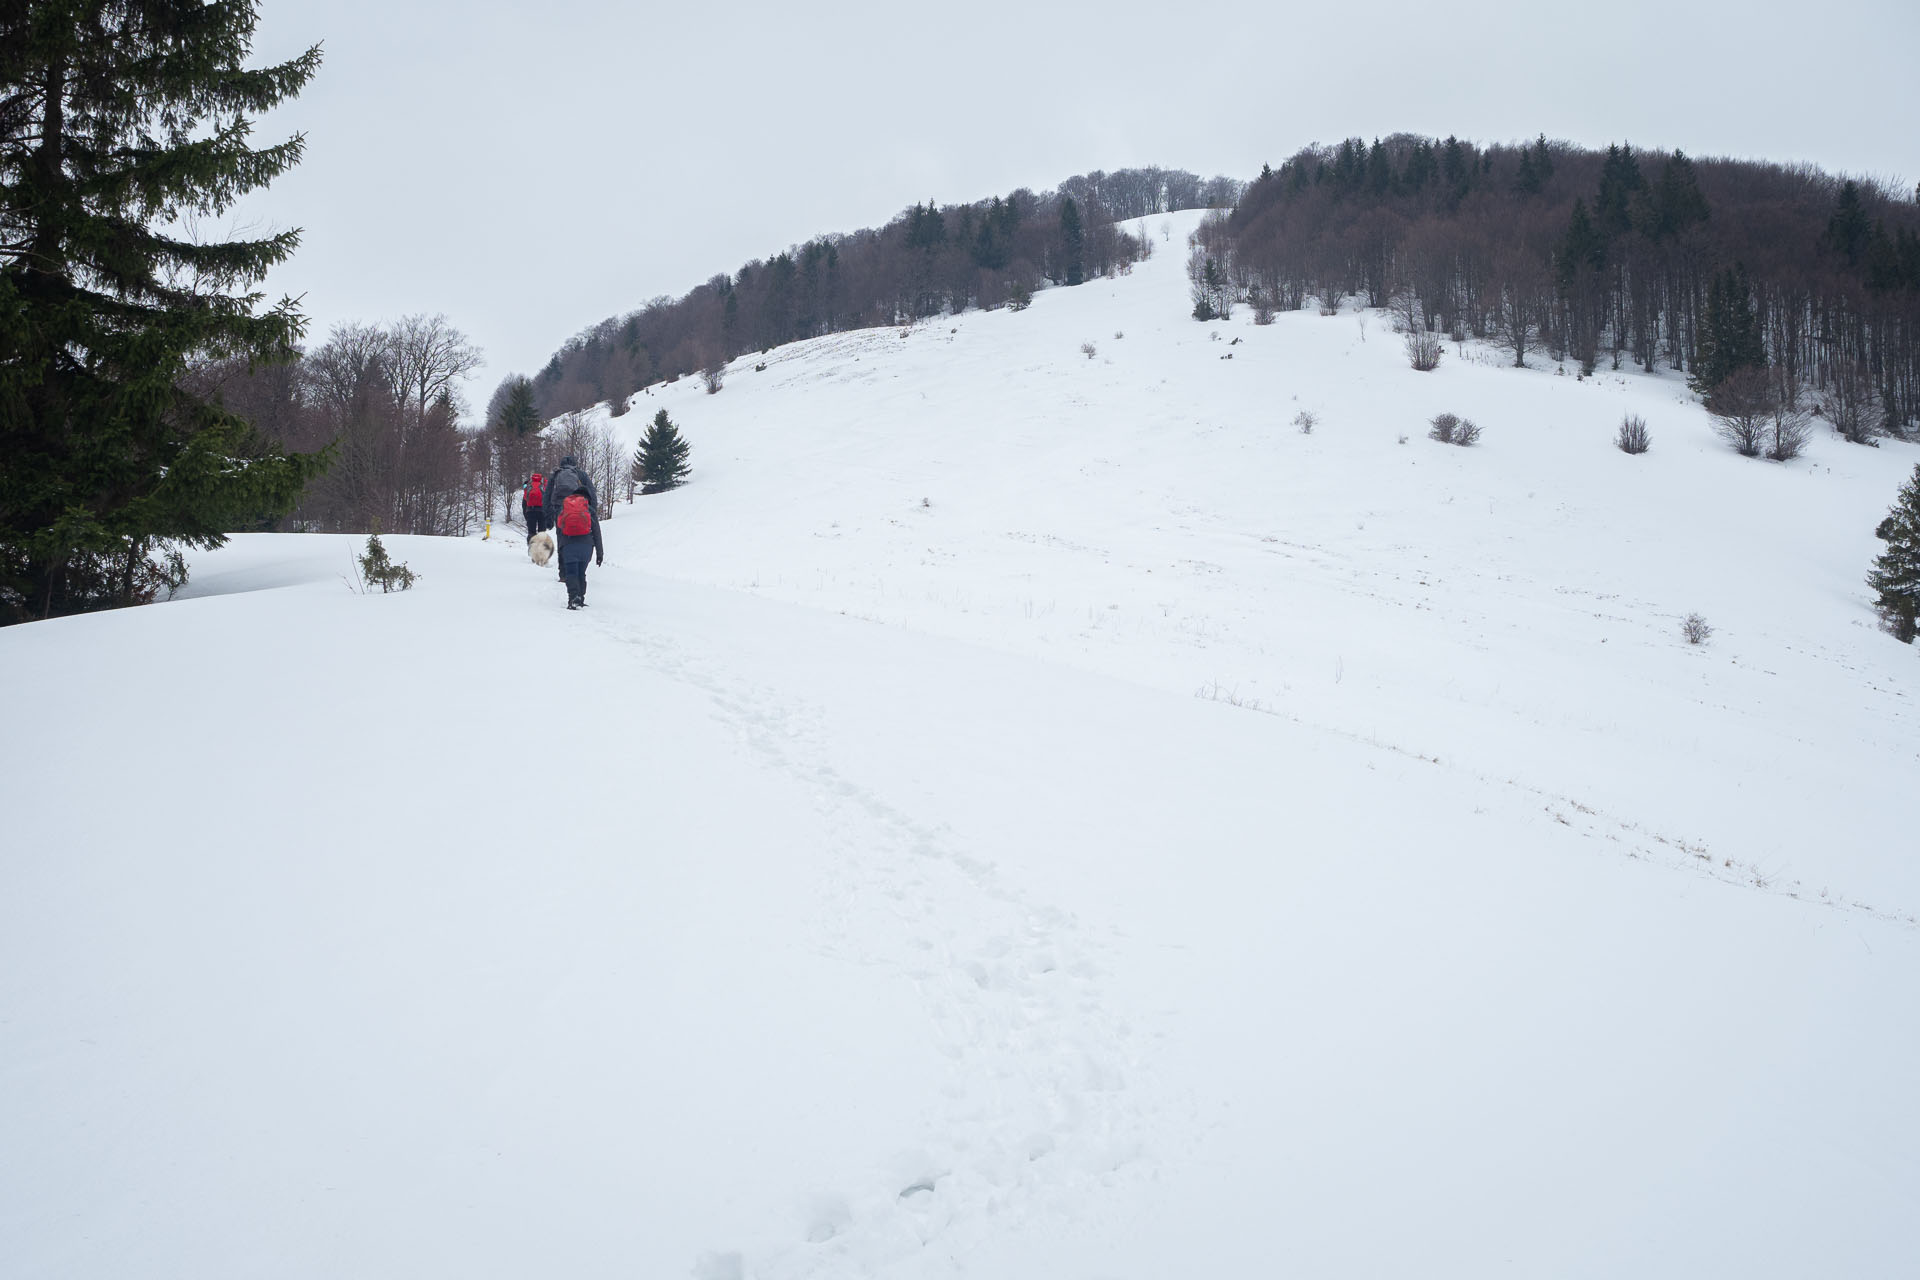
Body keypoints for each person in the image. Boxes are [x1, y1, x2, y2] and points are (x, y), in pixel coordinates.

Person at [553, 483, 603, 609]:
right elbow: (597, 532)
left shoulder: (565, 508)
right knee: (581, 572)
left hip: (568, 544)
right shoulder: (589, 510)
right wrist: (599, 553)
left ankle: (573, 598)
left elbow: (559, 529)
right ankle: (580, 598)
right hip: (586, 546)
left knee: (571, 573)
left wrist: (561, 547)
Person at [520, 471, 547, 540]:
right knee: (542, 533)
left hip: (530, 510)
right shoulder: (544, 485)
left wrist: (526, 515)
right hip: (542, 511)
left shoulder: (528, 485)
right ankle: (541, 548)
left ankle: (532, 548)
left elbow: (525, 499)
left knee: (531, 533)